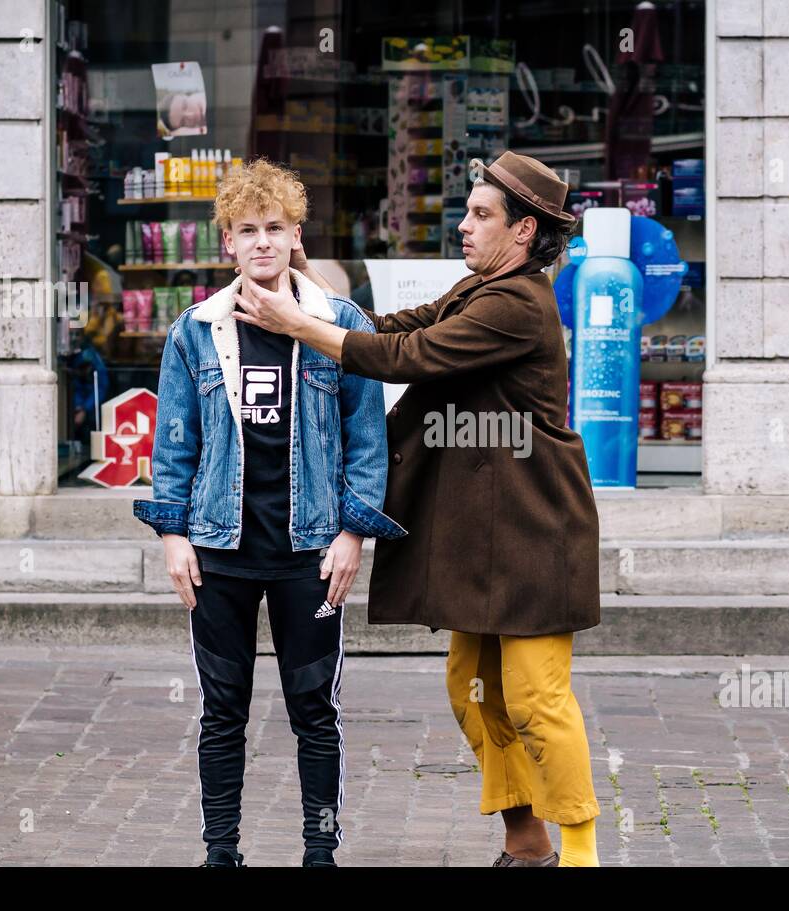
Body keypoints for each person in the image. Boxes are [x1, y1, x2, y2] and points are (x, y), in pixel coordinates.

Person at [235, 151, 603, 867]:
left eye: (480, 215)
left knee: (535, 698)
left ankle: (581, 851)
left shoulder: (517, 304)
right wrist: (305, 281)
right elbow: (385, 325)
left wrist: (295, 324)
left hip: (538, 532)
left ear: (523, 231)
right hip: (490, 534)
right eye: (467, 210)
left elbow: (409, 355)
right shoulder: (478, 287)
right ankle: (527, 845)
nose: (462, 225)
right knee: (474, 693)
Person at [133, 158, 405, 868]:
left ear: (295, 235)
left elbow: (366, 442)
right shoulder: (195, 331)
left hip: (309, 554)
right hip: (218, 550)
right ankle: (221, 854)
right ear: (227, 241)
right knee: (222, 714)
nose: (261, 241)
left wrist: (353, 533)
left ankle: (321, 852)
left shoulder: (339, 325)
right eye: (247, 230)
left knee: (316, 713)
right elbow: (174, 445)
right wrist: (172, 536)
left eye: (274, 228)